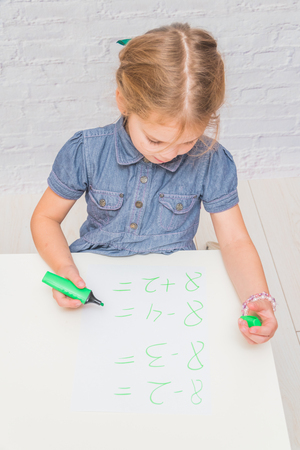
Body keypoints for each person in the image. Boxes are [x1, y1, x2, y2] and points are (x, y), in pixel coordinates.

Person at [30, 22, 278, 345]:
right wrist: (64, 267)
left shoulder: (212, 160)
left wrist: (257, 297)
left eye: (186, 142)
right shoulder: (87, 151)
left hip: (173, 291)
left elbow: (234, 241)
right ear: (123, 103)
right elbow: (44, 218)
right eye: (155, 140)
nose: (170, 154)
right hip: (94, 278)